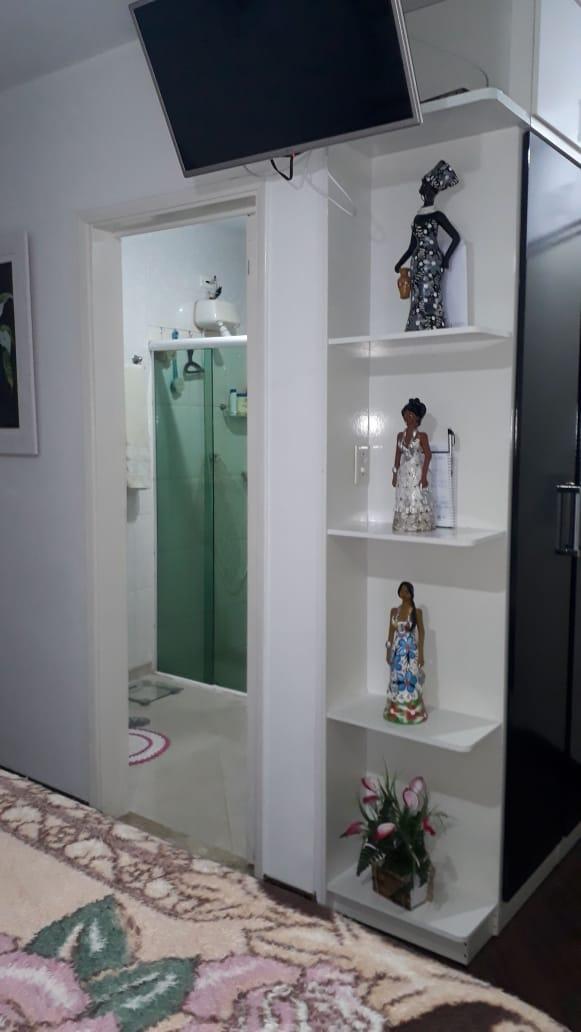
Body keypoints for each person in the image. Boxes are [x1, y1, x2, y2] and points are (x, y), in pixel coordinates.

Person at [394, 159, 460, 331]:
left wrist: (445, 259)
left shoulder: (437, 215)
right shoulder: (417, 217)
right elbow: (412, 246)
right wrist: (399, 263)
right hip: (417, 262)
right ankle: (416, 325)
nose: (422, 189)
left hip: (432, 262)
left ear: (432, 190)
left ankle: (435, 324)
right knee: (417, 294)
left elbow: (456, 237)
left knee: (431, 292)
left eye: (426, 186)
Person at [384, 581, 427, 725]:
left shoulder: (416, 612)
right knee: (397, 677)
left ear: (411, 593)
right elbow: (390, 633)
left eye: (406, 591)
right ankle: (396, 707)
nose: (403, 593)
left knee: (411, 676)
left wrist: (421, 654)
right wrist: (388, 650)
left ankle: (412, 708)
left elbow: (422, 633)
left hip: (411, 651)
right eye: (401, 590)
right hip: (398, 650)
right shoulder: (394, 611)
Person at [392, 398, 435, 533]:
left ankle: (420, 522)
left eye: (410, 414)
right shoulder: (400, 436)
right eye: (405, 414)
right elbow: (397, 456)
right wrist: (394, 474)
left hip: (417, 472)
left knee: (417, 497)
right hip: (404, 474)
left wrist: (424, 476)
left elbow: (428, 455)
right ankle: (404, 521)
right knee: (404, 497)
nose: (407, 417)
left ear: (417, 418)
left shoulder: (422, 436)